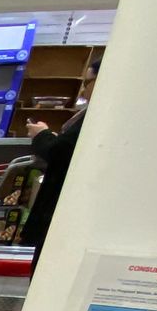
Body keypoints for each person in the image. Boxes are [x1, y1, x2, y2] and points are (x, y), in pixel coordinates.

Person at [22, 58, 98, 270]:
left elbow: (61, 152)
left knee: (47, 267)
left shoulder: (99, 116)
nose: (83, 91)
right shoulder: (96, 115)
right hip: (67, 213)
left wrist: (43, 136)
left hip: (62, 212)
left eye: (88, 82)